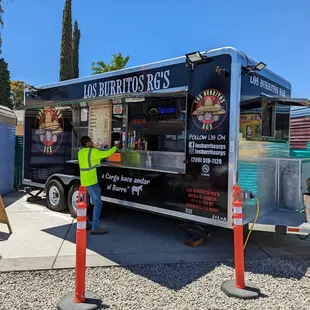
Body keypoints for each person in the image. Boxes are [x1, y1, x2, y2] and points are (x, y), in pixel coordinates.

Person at [78, 136, 119, 235]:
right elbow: (106, 153)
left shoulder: (81, 152)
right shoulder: (92, 152)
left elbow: (93, 160)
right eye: (91, 141)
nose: (92, 142)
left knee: (86, 204)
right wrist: (115, 147)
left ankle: (85, 223)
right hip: (91, 181)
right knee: (98, 203)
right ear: (87, 143)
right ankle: (95, 227)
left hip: (83, 181)